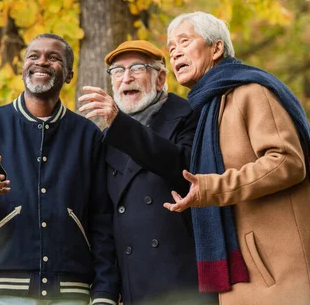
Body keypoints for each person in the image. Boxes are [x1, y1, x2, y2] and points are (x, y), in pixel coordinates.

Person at [163, 11, 310, 304]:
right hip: (246, 275)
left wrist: (212, 188)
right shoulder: (206, 110)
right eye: (171, 48)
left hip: (287, 274)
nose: (175, 53)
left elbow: (287, 161)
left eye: (184, 41)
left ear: (217, 48)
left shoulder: (251, 92)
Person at [0, 33, 119, 305]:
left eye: (54, 57)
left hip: (72, 292)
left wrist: (105, 293)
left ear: (69, 74)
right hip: (4, 292)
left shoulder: (88, 136)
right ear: (23, 68)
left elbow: (102, 221)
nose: (42, 62)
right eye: (33, 56)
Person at [78, 40, 214, 304]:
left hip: (186, 284)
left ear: (161, 78)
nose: (126, 78)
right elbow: (103, 221)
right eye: (117, 71)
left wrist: (120, 124)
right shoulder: (107, 139)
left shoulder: (189, 115)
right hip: (134, 289)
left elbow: (182, 169)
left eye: (137, 68)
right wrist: (105, 291)